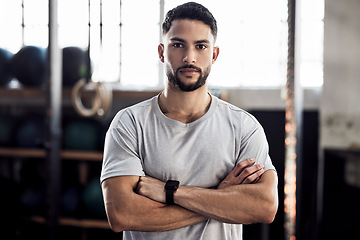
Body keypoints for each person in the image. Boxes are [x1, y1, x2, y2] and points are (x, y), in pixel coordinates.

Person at [101, 2, 278, 239]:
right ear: (162, 52)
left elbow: (265, 207)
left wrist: (171, 193)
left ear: (214, 54)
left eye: (201, 46)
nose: (189, 57)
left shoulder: (243, 127)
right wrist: (221, 197)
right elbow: (122, 214)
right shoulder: (130, 123)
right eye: (177, 44)